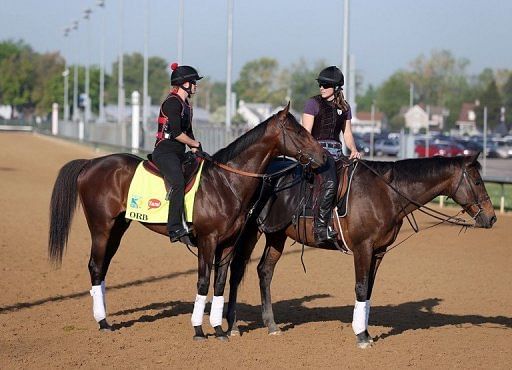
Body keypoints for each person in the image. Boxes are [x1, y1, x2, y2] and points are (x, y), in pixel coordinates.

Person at [302, 66, 362, 243]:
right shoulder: (312, 103)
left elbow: (347, 134)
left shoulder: (345, 108)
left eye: (325, 85)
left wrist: (353, 150)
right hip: (317, 154)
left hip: (337, 153)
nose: (321, 87)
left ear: (336, 88)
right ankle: (320, 228)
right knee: (330, 181)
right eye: (320, 84)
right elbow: (306, 134)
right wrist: (316, 154)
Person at [152, 62, 203, 242]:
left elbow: (188, 133)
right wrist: (193, 143)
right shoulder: (172, 103)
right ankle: (174, 228)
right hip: (164, 152)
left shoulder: (186, 105)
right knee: (178, 183)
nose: (196, 85)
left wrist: (197, 149)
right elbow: (176, 133)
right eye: (193, 82)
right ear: (184, 84)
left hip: (179, 152)